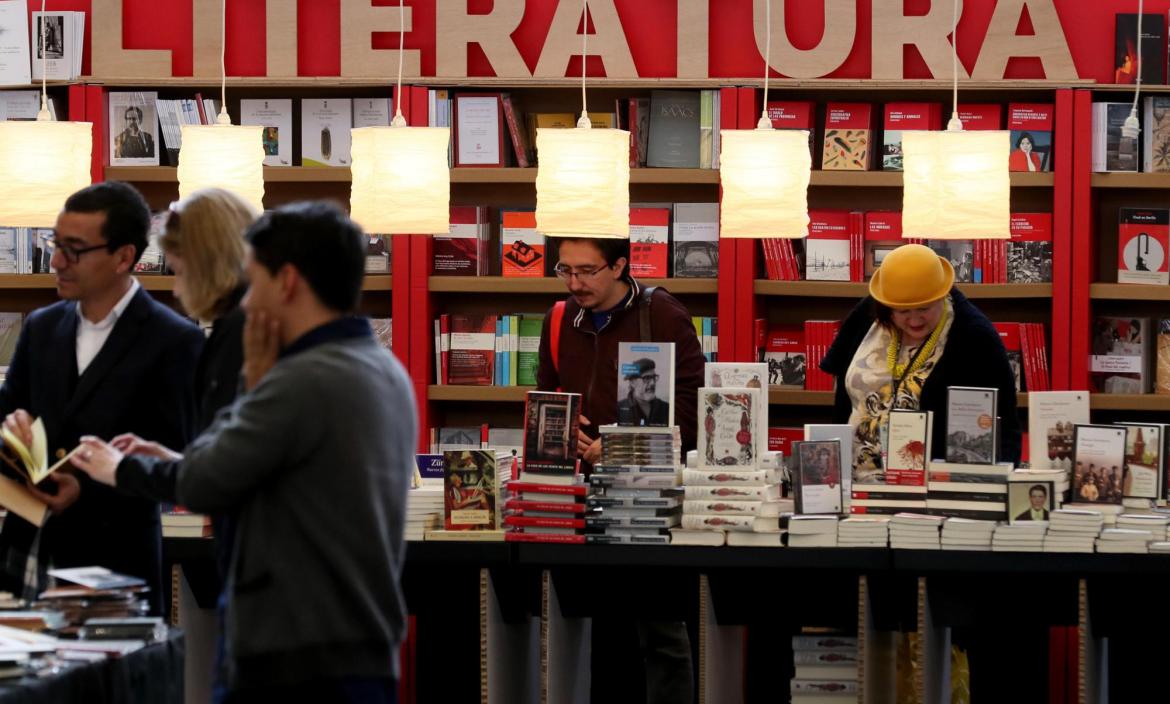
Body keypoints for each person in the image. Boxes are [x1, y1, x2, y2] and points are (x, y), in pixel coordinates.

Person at [74, 201, 413, 702]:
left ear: (288, 281)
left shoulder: (300, 379)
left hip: (293, 652)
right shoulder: (382, 367)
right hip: (353, 643)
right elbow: (252, 468)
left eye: (253, 282)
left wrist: (122, 467)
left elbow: (205, 483)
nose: (247, 303)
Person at [0, 182, 203, 611]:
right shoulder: (40, 327)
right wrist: (11, 434)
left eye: (74, 250)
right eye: (56, 244)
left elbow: (179, 459)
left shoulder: (175, 340)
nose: (56, 261)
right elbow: (8, 414)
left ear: (124, 257)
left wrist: (85, 492)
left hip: (116, 561)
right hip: (26, 547)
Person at [536, 237, 703, 704]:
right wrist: (561, 432)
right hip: (582, 500)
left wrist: (618, 446)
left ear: (620, 266)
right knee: (600, 632)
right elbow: (547, 396)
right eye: (564, 270)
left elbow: (693, 410)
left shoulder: (662, 314)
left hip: (650, 499)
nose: (574, 283)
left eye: (587, 271)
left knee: (662, 632)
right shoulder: (557, 319)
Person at [822, 244, 1021, 484]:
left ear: (942, 296)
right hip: (853, 481)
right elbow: (843, 400)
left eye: (924, 308)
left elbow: (1005, 424)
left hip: (930, 493)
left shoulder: (975, 337)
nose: (914, 319)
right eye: (903, 311)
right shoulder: (867, 316)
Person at [616, 358, 670, 427]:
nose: (653, 383)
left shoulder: (666, 408)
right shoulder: (619, 409)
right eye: (646, 378)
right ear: (632, 382)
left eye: (654, 377)